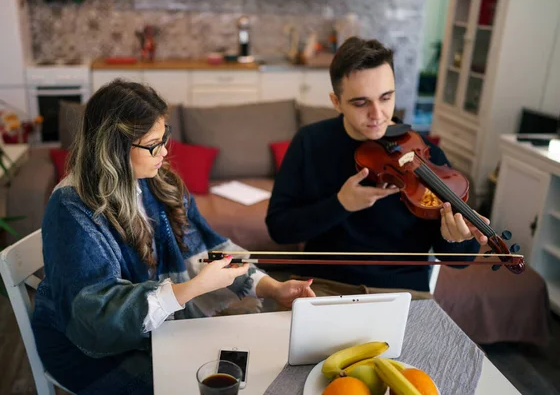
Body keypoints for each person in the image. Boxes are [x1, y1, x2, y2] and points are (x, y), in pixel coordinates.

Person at [30, 79, 315, 394]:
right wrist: (190, 289)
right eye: (154, 144)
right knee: (190, 385)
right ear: (114, 148)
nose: (164, 152)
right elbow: (94, 316)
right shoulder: (72, 208)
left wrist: (273, 287)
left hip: (156, 328)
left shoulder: (158, 182)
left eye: (164, 138)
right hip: (87, 349)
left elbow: (211, 250)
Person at [265, 36, 490, 296]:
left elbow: (459, 262)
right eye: (361, 103)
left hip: (402, 292)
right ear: (336, 102)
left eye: (386, 98)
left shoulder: (427, 155)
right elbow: (279, 229)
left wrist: (454, 238)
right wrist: (340, 204)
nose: (378, 114)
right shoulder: (309, 142)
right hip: (324, 287)